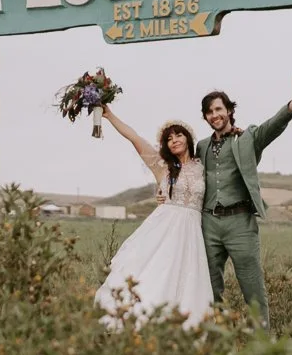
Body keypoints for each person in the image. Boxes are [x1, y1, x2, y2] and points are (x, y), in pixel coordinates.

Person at [198, 77, 292, 327]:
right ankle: (214, 336)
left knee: (252, 284)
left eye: (218, 109)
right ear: (205, 117)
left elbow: (273, 126)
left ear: (229, 111)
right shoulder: (201, 146)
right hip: (208, 223)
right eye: (209, 112)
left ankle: (263, 338)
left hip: (240, 223)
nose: (214, 115)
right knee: (208, 284)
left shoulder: (247, 138)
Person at [91, 106, 213, 326]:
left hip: (191, 233)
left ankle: (182, 327)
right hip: (163, 229)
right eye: (169, 139)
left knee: (188, 279)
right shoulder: (163, 167)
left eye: (178, 135)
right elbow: (134, 137)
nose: (174, 140)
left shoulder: (202, 167)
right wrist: (109, 115)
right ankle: (144, 321)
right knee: (158, 273)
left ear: (188, 138)